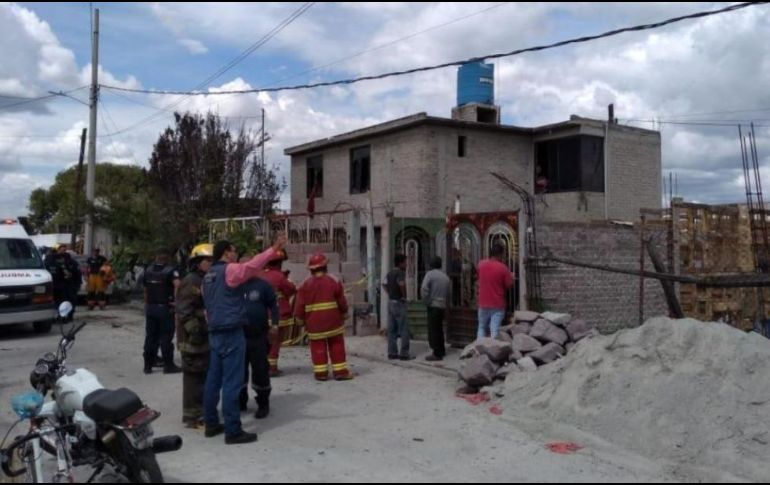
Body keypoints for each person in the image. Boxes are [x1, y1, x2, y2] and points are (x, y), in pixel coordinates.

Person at [201, 235, 287, 445]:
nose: (235, 254)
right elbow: (251, 266)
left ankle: (211, 424)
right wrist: (272, 249)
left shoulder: (208, 276)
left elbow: (208, 307)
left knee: (213, 381)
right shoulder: (229, 270)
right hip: (232, 332)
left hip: (214, 332)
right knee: (233, 382)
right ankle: (233, 430)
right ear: (225, 253)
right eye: (233, 251)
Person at [294, 253, 352, 381]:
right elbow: (341, 301)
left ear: (311, 269)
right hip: (333, 321)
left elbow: (299, 304)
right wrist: (344, 312)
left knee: (317, 346)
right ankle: (340, 372)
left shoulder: (305, 284)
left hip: (314, 323)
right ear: (325, 266)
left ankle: (321, 373)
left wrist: (299, 319)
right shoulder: (334, 280)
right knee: (336, 344)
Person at [176, 243, 214, 429]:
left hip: (202, 336)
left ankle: (200, 412)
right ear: (197, 262)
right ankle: (192, 416)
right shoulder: (191, 281)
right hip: (192, 339)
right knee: (194, 378)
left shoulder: (204, 279)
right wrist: (195, 331)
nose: (211, 264)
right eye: (208, 260)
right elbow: (184, 311)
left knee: (202, 376)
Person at [239, 255, 280, 419]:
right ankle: (240, 401)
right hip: (238, 337)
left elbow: (274, 306)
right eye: (242, 266)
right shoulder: (233, 285)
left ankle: (263, 403)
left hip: (258, 336)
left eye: (249, 266)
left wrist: (275, 326)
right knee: (238, 373)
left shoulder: (263, 286)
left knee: (261, 371)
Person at [142, 251, 182, 375]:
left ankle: (148, 365)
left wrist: (147, 303)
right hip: (165, 308)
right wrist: (176, 302)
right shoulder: (171, 271)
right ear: (167, 260)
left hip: (151, 307)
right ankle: (168, 365)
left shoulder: (148, 270)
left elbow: (145, 289)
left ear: (156, 258)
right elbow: (178, 285)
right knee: (166, 336)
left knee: (150, 336)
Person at [259, 250, 296, 376]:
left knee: (262, 342)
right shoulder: (279, 276)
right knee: (274, 342)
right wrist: (289, 280)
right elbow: (291, 290)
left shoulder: (259, 275)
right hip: (277, 314)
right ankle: (271, 368)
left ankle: (262, 366)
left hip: (260, 316)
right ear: (278, 263)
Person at [476, 243, 514, 339]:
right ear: (500, 254)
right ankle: (493, 351)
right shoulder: (503, 268)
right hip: (497, 304)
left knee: (481, 327)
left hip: (483, 302)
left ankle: (479, 350)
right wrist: (512, 277)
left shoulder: (481, 265)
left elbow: (478, 278)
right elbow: (509, 285)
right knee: (494, 330)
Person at [421, 256, 451, 361]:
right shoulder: (445, 277)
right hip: (442, 305)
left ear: (431, 265)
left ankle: (436, 353)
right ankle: (441, 350)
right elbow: (448, 294)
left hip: (433, 305)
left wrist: (427, 301)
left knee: (433, 329)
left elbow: (424, 289)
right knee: (439, 329)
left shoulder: (430, 274)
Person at [383, 254, 412, 360]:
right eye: (405, 262)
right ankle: (404, 353)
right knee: (404, 329)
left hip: (391, 303)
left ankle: (392, 353)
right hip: (399, 303)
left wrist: (390, 293)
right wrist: (404, 297)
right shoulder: (400, 273)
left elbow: (384, 284)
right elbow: (401, 285)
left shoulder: (390, 273)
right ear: (400, 263)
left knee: (392, 330)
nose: (406, 264)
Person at [45, 244, 81, 322]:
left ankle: (66, 316)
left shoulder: (69, 261)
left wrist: (77, 285)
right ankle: (57, 317)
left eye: (64, 250)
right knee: (56, 302)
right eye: (61, 249)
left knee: (68, 301)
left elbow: (76, 274)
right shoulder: (49, 260)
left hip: (67, 286)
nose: (63, 251)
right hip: (55, 286)